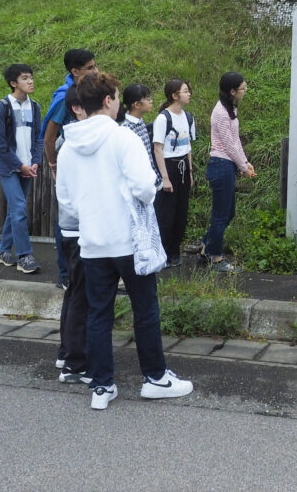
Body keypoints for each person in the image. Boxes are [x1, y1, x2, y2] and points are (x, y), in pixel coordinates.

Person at [55, 71, 194, 410]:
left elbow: (66, 201)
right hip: (130, 241)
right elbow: (145, 187)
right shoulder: (123, 138)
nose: (118, 103)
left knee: (98, 313)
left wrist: (93, 214)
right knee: (145, 308)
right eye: (117, 97)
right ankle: (155, 378)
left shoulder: (69, 145)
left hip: (92, 242)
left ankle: (102, 386)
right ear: (108, 101)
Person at [41, 48, 98, 289]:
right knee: (67, 219)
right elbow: (49, 137)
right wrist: (54, 166)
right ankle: (65, 274)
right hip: (69, 164)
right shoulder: (66, 97)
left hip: (87, 164)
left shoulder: (88, 90)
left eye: (95, 66)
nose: (96, 71)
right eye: (90, 68)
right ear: (75, 71)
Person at [0, 63, 44, 274]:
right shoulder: (2, 107)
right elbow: (0, 144)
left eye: (31, 77)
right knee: (20, 208)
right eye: (25, 78)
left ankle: (3, 251)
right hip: (9, 167)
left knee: (16, 209)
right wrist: (19, 165)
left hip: (28, 166)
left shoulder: (35, 106)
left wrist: (35, 161)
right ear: (14, 83)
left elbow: (38, 138)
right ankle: (24, 256)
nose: (30, 81)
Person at [201, 71, 255, 273]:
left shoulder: (230, 107)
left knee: (228, 212)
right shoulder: (221, 113)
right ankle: (215, 258)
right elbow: (229, 145)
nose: (245, 90)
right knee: (221, 215)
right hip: (221, 164)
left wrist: (245, 162)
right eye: (242, 88)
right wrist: (243, 167)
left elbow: (235, 139)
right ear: (232, 91)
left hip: (227, 165)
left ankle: (205, 247)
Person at [55, 85, 90, 383]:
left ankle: (67, 352)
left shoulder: (72, 140)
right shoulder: (74, 143)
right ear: (77, 108)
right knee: (81, 294)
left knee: (75, 291)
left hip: (73, 227)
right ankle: (74, 362)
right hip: (78, 228)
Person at [152, 80, 196, 268]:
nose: (189, 94)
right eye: (185, 91)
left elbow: (188, 147)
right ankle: (161, 253)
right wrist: (165, 177)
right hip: (168, 167)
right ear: (174, 95)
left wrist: (190, 172)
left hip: (183, 167)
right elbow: (158, 149)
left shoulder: (188, 117)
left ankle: (174, 252)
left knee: (181, 212)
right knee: (166, 214)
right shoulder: (163, 118)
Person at [118, 83, 162, 190]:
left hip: (152, 181)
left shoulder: (139, 121)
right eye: (147, 99)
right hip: (141, 186)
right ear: (137, 105)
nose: (151, 101)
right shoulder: (126, 128)